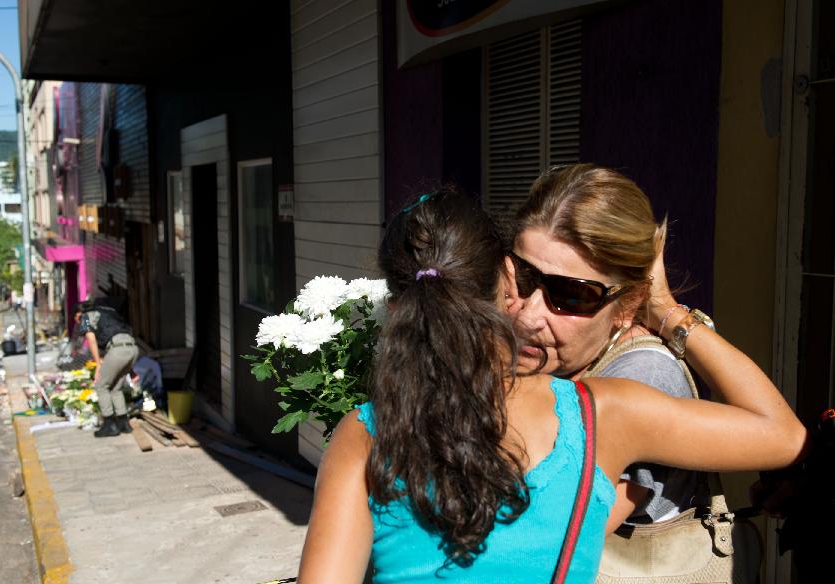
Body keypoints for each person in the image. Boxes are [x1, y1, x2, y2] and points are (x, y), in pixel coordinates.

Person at [297, 188, 807, 583]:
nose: (537, 314)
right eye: (530, 277)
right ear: (509, 279)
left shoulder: (362, 436)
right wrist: (671, 313)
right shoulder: (602, 418)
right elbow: (783, 435)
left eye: (572, 294)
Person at [506, 164, 696, 531]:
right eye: (524, 277)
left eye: (571, 295)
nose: (528, 316)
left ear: (627, 305)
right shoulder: (545, 357)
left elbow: (548, 539)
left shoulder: (642, 378)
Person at [74, 301, 139, 438]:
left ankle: (109, 425)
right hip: (133, 349)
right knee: (116, 387)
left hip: (117, 350)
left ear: (78, 313)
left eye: (75, 318)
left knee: (101, 385)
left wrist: (98, 365)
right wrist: (131, 371)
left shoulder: (85, 317)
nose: (77, 322)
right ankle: (123, 424)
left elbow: (90, 339)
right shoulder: (110, 311)